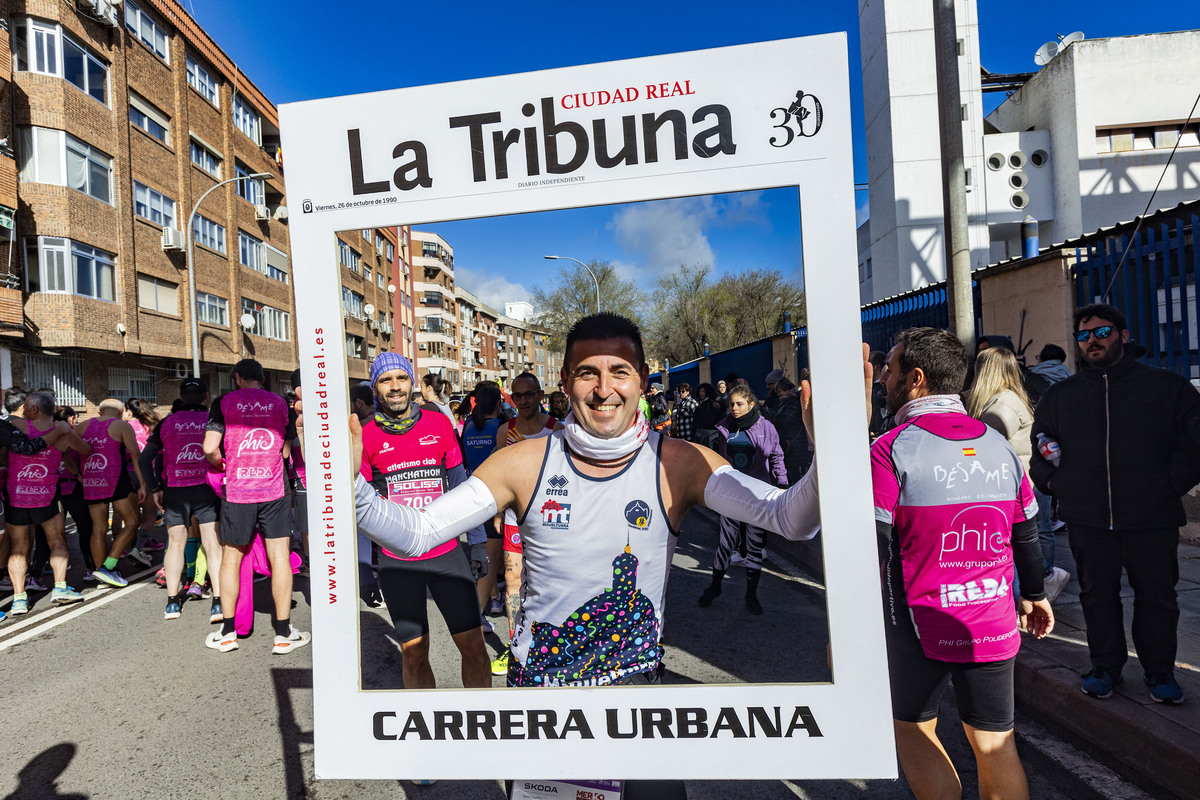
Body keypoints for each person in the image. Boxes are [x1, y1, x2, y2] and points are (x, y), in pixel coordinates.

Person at [343, 313, 829, 799]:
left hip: (637, 706)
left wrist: (830, 450)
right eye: (587, 373)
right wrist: (349, 485)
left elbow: (790, 518)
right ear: (565, 382)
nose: (604, 389)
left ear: (642, 380)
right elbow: (419, 532)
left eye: (620, 371)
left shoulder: (679, 462)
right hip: (545, 703)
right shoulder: (522, 460)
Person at [874, 327, 1053, 800]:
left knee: (912, 728)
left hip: (917, 624)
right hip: (993, 618)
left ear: (915, 378)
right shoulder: (997, 444)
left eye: (888, 368)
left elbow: (876, 546)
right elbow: (1026, 530)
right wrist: (1034, 595)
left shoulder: (890, 448)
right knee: (995, 745)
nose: (881, 378)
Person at [1030, 303, 1200, 704]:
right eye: (1084, 335)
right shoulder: (1061, 395)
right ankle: (1105, 667)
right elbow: (1040, 445)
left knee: (1157, 597)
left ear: (1123, 335)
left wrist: (1167, 485)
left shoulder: (1166, 387)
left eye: (1101, 332)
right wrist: (1054, 482)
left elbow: (1193, 446)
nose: (1092, 341)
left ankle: (1159, 672)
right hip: (1087, 517)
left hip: (1151, 517)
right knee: (1096, 595)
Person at [358, 352, 490, 689]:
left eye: (401, 378)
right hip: (397, 560)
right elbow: (357, 507)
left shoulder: (438, 423)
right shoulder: (365, 436)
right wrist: (362, 568)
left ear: (412, 383)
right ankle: (424, 733)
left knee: (473, 644)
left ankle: (482, 728)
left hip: (447, 553)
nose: (395, 387)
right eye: (386, 381)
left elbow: (463, 488)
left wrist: (476, 543)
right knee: (414, 653)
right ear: (376, 388)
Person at [203, 359, 308, 654]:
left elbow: (210, 447)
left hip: (237, 493)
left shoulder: (223, 403)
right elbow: (288, 450)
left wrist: (223, 463)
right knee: (280, 558)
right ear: (262, 379)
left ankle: (227, 632)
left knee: (231, 559)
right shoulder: (279, 402)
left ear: (237, 378)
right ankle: (284, 633)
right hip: (274, 490)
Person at [968, 348, 1070, 604]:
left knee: (1024, 538)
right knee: (1037, 531)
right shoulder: (1005, 398)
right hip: (1023, 479)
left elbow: (985, 441)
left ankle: (1038, 581)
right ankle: (1042, 578)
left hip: (1019, 483)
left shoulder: (1004, 403)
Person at [489, 372, 563, 676]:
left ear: (540, 395)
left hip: (551, 518)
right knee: (514, 581)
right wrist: (496, 511)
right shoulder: (506, 430)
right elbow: (498, 474)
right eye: (517, 396)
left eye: (529, 395)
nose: (523, 402)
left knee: (553, 581)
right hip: (513, 517)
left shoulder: (557, 430)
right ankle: (515, 645)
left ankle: (555, 643)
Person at [698, 384, 788, 615]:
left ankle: (751, 595)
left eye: (739, 404)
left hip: (758, 493)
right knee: (726, 544)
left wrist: (782, 485)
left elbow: (777, 455)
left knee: (754, 546)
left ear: (751, 404)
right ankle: (715, 586)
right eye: (731, 405)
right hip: (732, 493)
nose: (734, 409)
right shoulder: (725, 427)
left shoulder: (766, 427)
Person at [139, 378, 223, 623]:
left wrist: (155, 487)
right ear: (205, 396)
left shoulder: (167, 422)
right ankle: (218, 602)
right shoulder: (212, 421)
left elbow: (145, 460)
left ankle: (172, 602)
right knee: (212, 544)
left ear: (180, 395)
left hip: (175, 489)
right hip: (206, 488)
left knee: (175, 543)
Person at [5, 391, 92, 613]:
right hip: (47, 496)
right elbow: (86, 450)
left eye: (25, 406)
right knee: (56, 541)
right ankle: (60, 588)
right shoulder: (62, 431)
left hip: (17, 496)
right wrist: (67, 440)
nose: (22, 410)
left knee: (18, 548)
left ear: (34, 410)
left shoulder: (16, 426)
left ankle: (19, 599)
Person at [78, 399, 147, 588]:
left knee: (98, 529)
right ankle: (107, 567)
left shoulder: (82, 426)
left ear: (99, 412)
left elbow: (66, 453)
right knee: (133, 522)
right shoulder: (121, 425)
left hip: (92, 481)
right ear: (122, 411)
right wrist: (142, 484)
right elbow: (135, 455)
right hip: (116, 480)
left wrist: (78, 475)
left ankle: (102, 573)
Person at [125, 398, 163, 553]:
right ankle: (141, 547)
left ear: (128, 411)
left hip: (127, 474)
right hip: (148, 473)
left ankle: (124, 547)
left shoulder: (124, 427)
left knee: (130, 517)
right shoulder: (153, 426)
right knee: (149, 516)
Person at [771, 376, 812, 484]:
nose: (778, 394)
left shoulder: (794, 402)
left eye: (779, 391)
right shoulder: (788, 401)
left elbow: (786, 420)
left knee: (796, 478)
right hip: (793, 447)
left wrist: (771, 414)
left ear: (786, 390)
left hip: (796, 447)